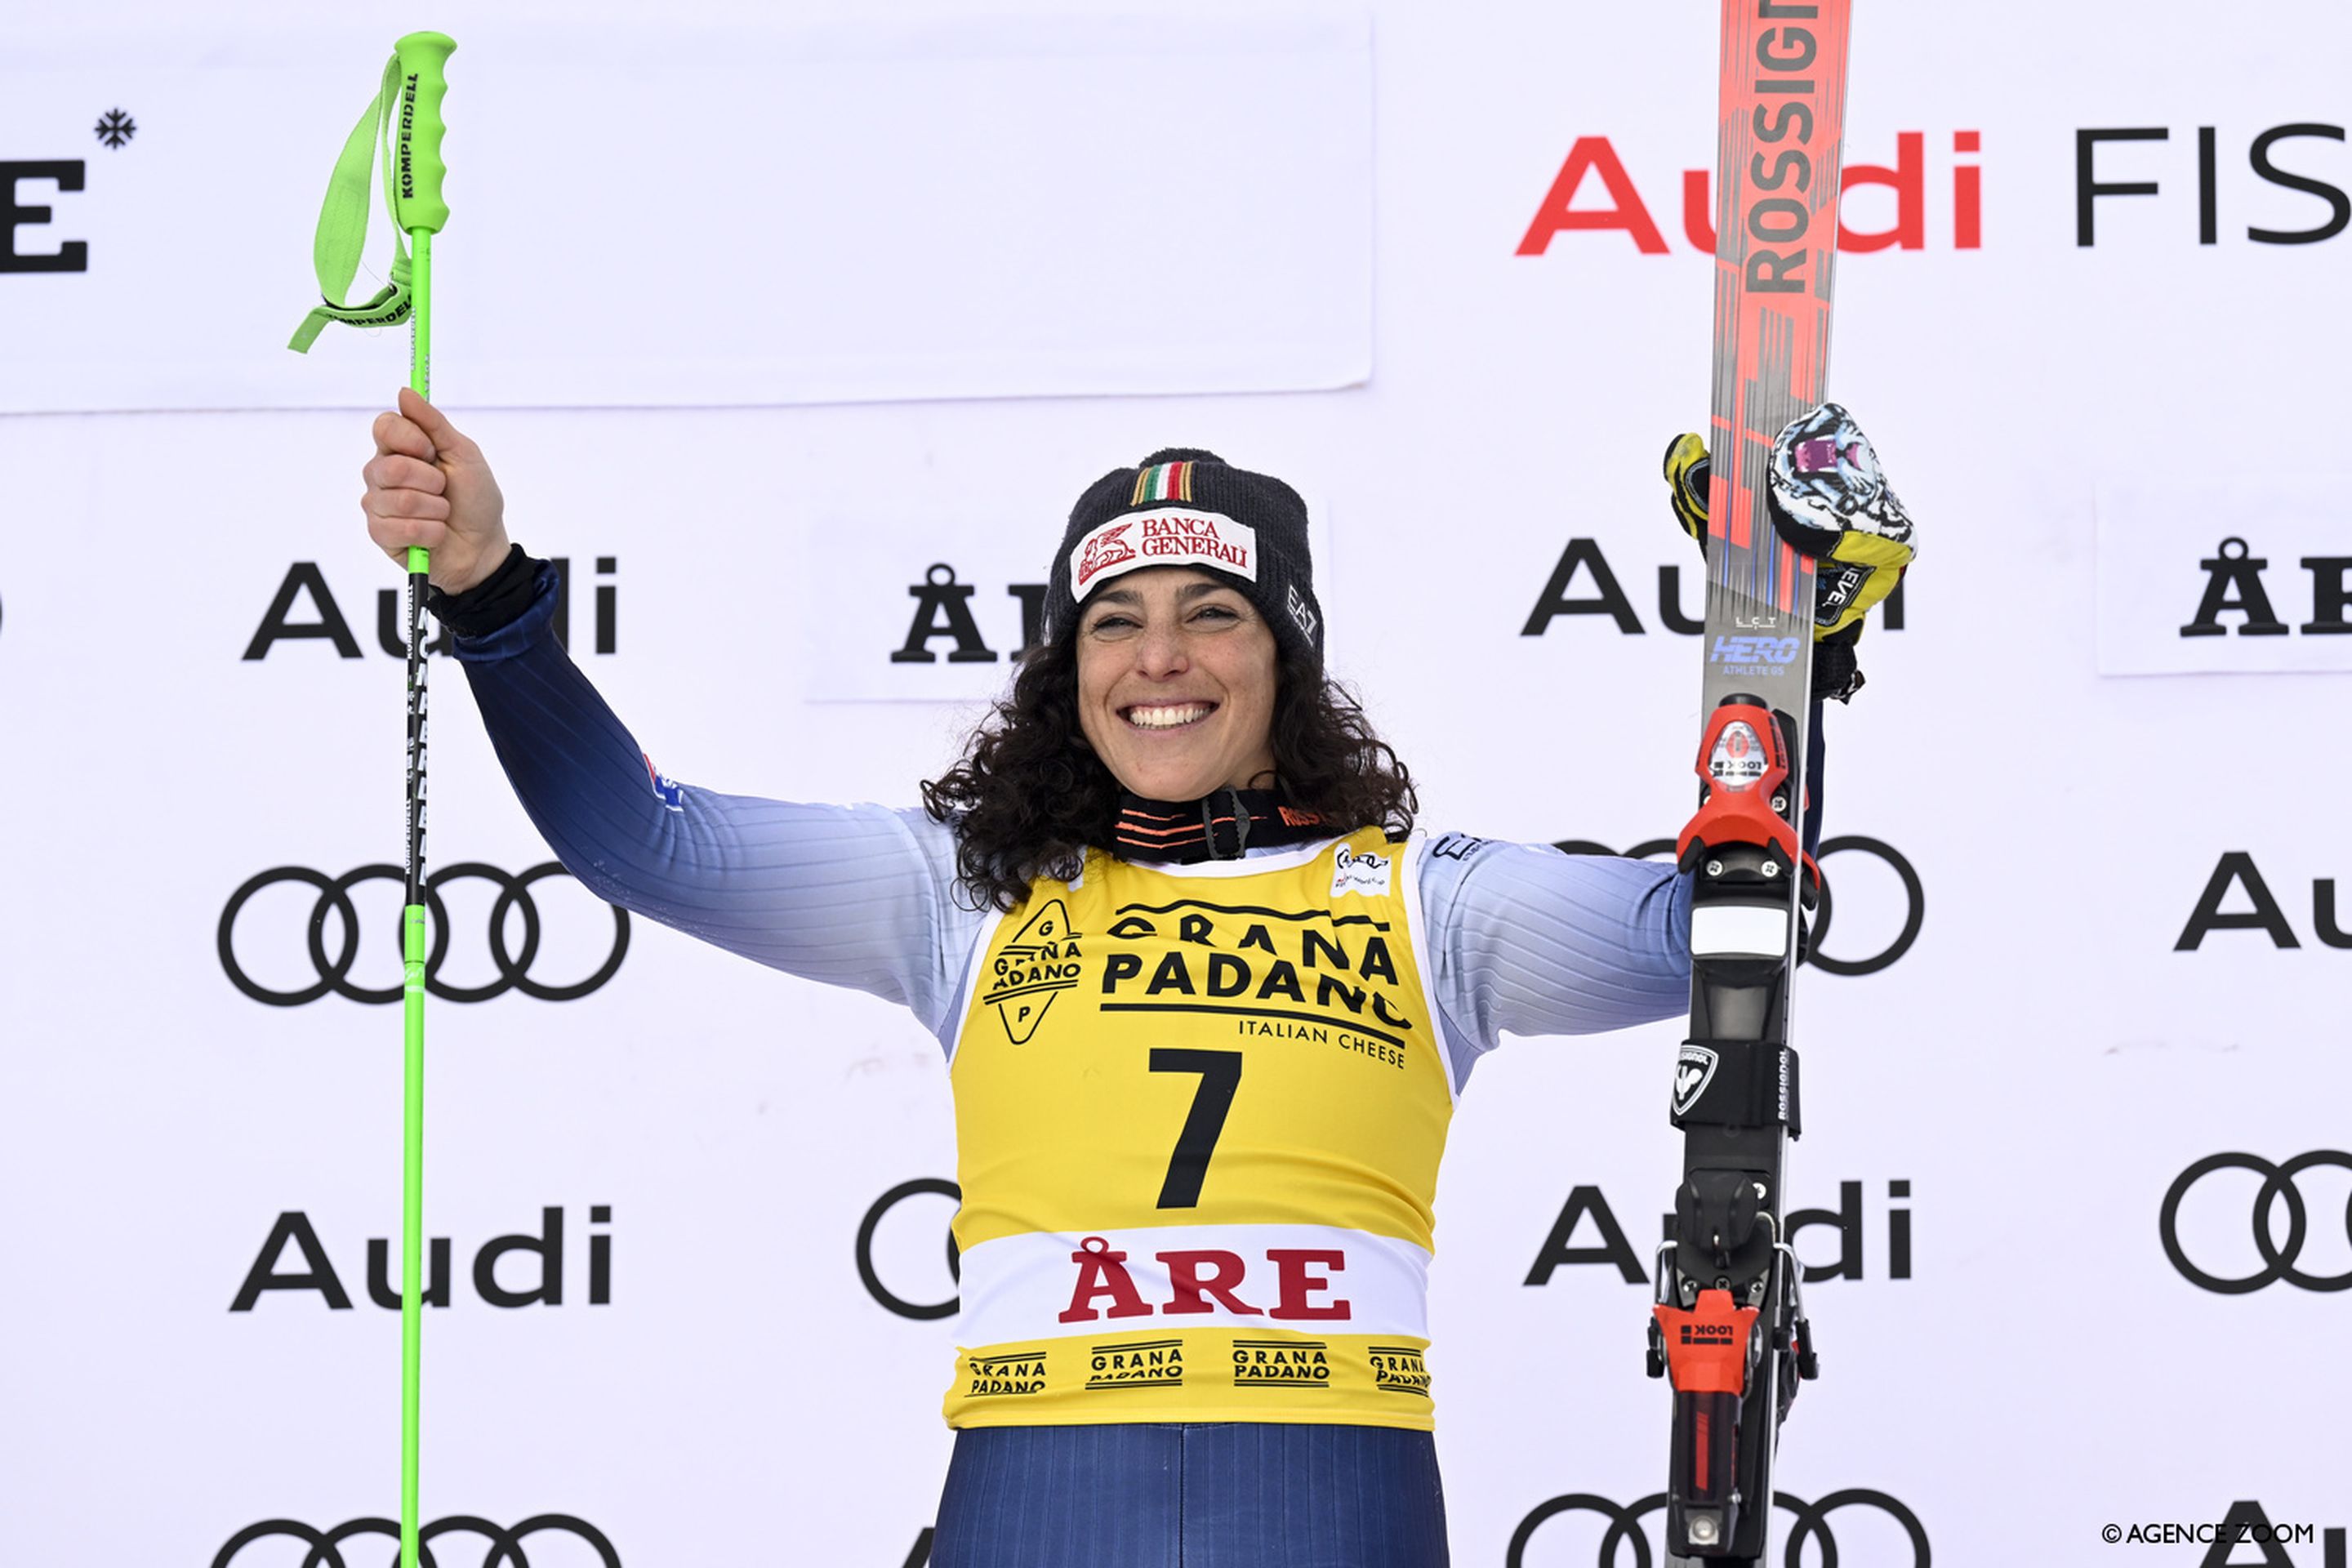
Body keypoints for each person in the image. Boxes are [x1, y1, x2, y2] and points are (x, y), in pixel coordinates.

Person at [359, 392, 1913, 1567]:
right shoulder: (965, 889)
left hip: (1332, 1501)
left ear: (1286, 652)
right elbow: (640, 842)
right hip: (1043, 1500)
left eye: (1210, 614)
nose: (1157, 659)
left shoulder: (1427, 899)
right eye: (1115, 622)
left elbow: (1728, 933)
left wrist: (1793, 669)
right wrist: (492, 591)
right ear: (1068, 666)